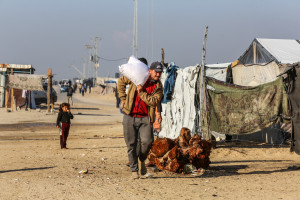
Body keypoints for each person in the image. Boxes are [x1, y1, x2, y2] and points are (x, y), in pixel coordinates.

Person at [117, 61, 163, 179]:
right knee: (131, 144)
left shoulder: (158, 86)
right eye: (156, 72)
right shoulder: (138, 77)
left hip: (146, 118)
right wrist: (123, 98)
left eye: (160, 73)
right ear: (150, 71)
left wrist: (141, 92)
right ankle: (134, 170)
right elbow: (121, 81)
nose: (158, 75)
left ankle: (142, 160)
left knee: (147, 142)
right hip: (129, 116)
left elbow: (153, 101)